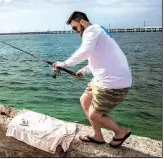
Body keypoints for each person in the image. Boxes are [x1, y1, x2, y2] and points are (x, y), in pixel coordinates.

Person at [52, 11, 132, 148]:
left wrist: (63, 64)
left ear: (82, 22)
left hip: (113, 82)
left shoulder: (92, 30)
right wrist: (84, 70)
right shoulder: (98, 33)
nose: (75, 32)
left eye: (74, 28)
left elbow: (84, 52)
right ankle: (97, 135)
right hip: (102, 79)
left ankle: (120, 132)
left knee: (94, 115)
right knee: (85, 100)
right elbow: (99, 59)